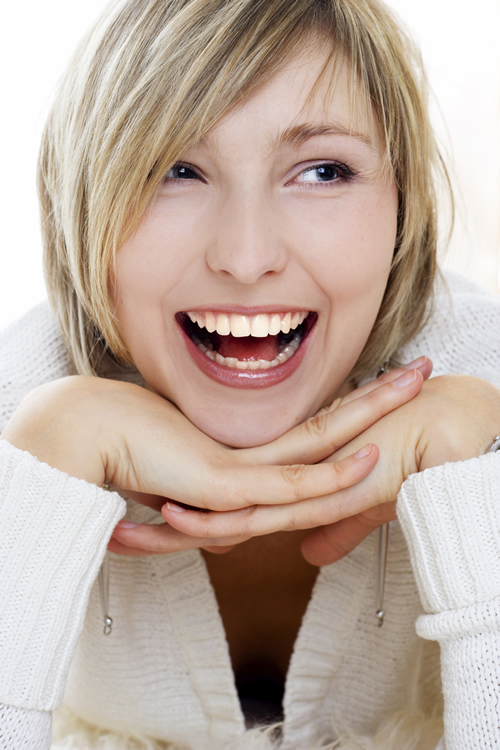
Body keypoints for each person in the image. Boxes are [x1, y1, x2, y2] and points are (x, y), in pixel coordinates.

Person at [0, 0, 499, 748]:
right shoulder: (21, 404)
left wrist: (472, 488)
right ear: (83, 203)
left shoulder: (480, 382)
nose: (245, 254)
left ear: (403, 206)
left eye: (323, 170)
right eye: (175, 169)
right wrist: (43, 473)